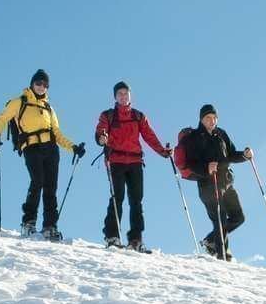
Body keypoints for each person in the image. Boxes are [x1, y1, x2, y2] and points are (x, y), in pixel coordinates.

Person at [0, 69, 84, 240]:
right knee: (37, 181)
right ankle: (28, 222)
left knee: (51, 187)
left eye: (45, 85)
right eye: (38, 83)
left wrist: (73, 147)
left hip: (51, 149)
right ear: (32, 84)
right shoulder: (20, 102)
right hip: (31, 147)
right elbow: (2, 118)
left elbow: (57, 134)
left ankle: (50, 226)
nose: (41, 87)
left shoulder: (49, 108)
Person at [93, 81, 171, 251]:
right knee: (117, 197)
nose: (123, 96)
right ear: (115, 97)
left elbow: (149, 135)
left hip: (135, 162)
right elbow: (101, 130)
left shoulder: (138, 116)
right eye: (120, 94)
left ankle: (135, 239)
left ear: (130, 96)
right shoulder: (108, 115)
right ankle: (112, 236)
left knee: (136, 201)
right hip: (116, 161)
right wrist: (101, 138)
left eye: (125, 93)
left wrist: (163, 151)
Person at [178, 103, 251, 260]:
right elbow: (190, 163)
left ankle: (210, 241)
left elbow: (231, 154)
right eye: (208, 118)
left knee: (239, 217)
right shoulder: (194, 138)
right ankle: (223, 255)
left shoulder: (221, 134)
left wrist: (245, 156)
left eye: (214, 118)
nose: (212, 121)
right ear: (201, 119)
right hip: (208, 184)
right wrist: (206, 167)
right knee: (220, 218)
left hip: (226, 181)